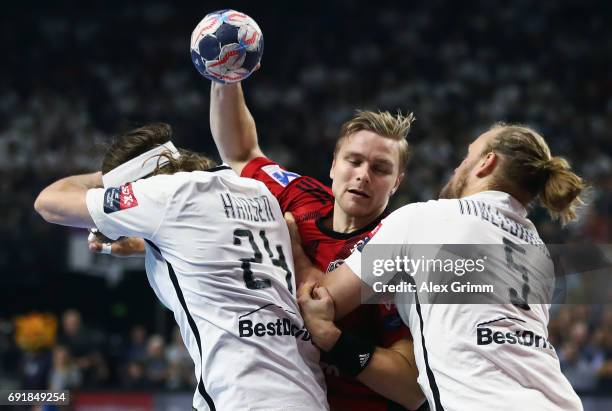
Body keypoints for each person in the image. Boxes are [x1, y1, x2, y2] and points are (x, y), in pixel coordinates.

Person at [34, 123, 328, 411]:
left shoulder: (163, 193)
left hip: (243, 396)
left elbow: (48, 202)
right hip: (306, 392)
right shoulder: (256, 191)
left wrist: (104, 179)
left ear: (134, 181)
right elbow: (222, 256)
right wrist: (144, 245)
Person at [297, 123, 585, 410]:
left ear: (487, 162)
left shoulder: (426, 218)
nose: (457, 168)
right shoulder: (537, 250)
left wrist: (292, 241)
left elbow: (321, 300)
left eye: (466, 157)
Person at [209, 81, 425, 410]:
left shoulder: (395, 249)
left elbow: (412, 389)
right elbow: (241, 153)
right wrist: (225, 77)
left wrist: (335, 340)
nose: (363, 175)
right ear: (333, 165)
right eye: (354, 161)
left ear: (396, 183)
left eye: (380, 169)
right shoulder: (301, 196)